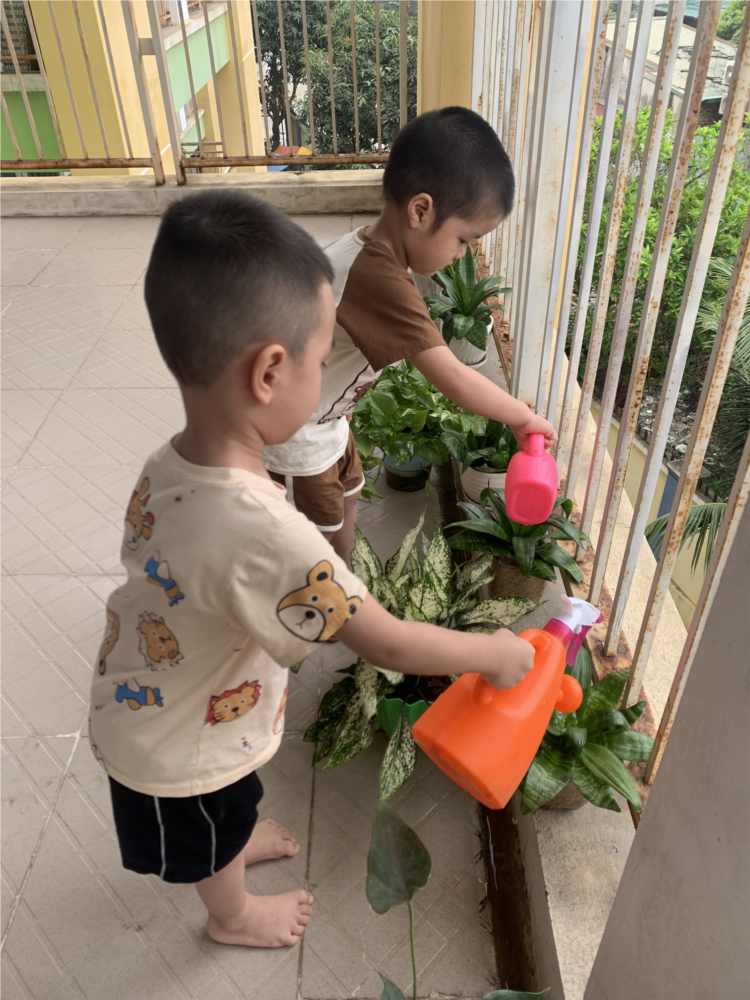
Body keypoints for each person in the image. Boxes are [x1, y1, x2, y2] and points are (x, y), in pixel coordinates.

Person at [89, 192, 536, 952]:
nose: (327, 371)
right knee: (209, 825)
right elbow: (385, 640)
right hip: (178, 749)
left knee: (232, 805)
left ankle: (234, 838)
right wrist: (494, 654)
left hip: (171, 697)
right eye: (322, 354)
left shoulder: (170, 461)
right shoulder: (269, 535)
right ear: (270, 371)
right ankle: (230, 913)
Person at [264, 106, 557, 567]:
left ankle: (344, 577)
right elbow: (451, 376)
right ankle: (326, 593)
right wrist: (522, 418)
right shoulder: (376, 278)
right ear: (420, 210)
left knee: (348, 499)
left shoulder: (369, 251)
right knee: (314, 545)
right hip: (298, 433)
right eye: (464, 239)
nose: (462, 255)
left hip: (328, 418)